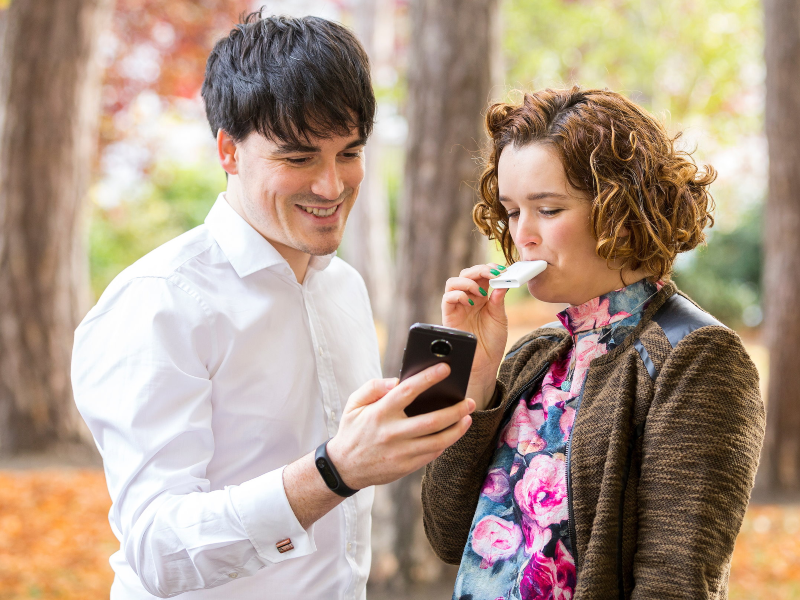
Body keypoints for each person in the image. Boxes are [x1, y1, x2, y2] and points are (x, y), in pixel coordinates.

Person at [72, 13, 475, 600]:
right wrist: (334, 471)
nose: (333, 187)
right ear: (229, 151)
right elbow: (158, 549)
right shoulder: (158, 303)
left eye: (349, 153)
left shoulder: (345, 286)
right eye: (299, 158)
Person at [421, 87, 765, 600]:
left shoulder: (696, 357)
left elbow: (674, 585)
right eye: (514, 212)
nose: (524, 236)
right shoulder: (533, 356)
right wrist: (478, 383)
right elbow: (446, 536)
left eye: (549, 209)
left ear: (622, 210)